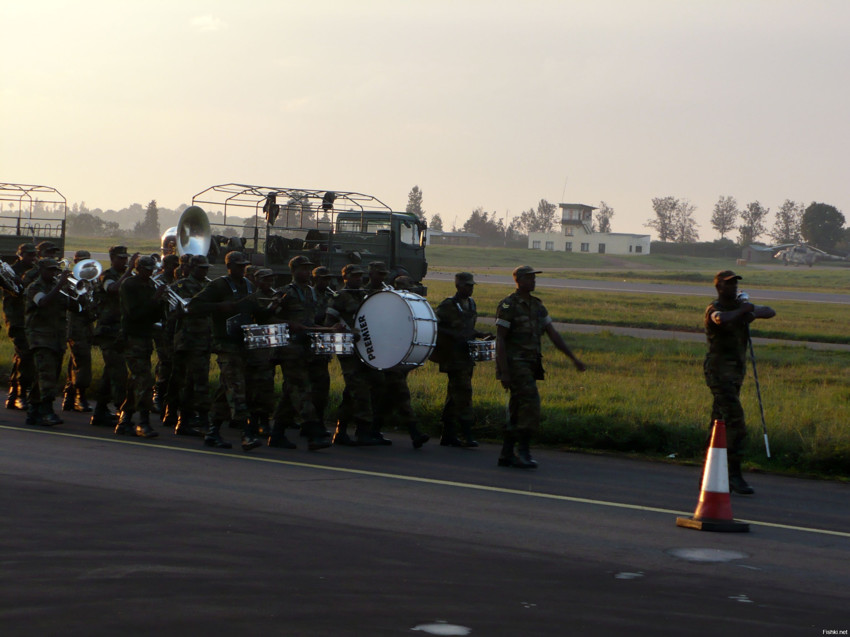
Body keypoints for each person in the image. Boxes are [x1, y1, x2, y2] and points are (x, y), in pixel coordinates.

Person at [495, 265, 586, 469]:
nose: (533, 282)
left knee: (518, 408)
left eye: (534, 278)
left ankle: (507, 453)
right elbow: (500, 340)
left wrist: (573, 358)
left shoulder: (537, 306)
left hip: (531, 363)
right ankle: (523, 451)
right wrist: (504, 372)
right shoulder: (509, 305)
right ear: (518, 280)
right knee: (531, 405)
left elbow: (553, 334)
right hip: (516, 364)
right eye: (529, 278)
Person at [704, 270, 776, 495]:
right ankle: (733, 475)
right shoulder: (714, 309)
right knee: (736, 423)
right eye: (729, 284)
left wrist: (750, 310)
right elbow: (721, 319)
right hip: (719, 373)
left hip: (735, 374)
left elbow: (770, 311)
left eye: (735, 284)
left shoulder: (741, 308)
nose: (733, 287)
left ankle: (708, 475)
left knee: (718, 422)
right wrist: (743, 311)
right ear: (719, 288)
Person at [188, 251, 267, 451]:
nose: (243, 269)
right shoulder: (218, 285)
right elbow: (195, 305)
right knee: (237, 389)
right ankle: (246, 434)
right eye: (239, 265)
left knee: (226, 390)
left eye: (244, 265)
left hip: (243, 344)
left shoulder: (249, 286)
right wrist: (219, 307)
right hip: (226, 346)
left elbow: (256, 311)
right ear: (229, 266)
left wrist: (271, 308)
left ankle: (213, 432)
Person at [268, 256, 332, 451]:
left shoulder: (312, 293)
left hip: (306, 350)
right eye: (303, 269)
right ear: (293, 271)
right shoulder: (286, 293)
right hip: (289, 349)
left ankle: (277, 434)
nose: (307, 272)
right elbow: (268, 316)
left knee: (290, 393)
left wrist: (328, 329)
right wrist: (289, 324)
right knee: (303, 390)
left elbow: (311, 321)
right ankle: (312, 433)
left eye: (308, 268)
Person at [433, 272, 490, 447]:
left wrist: (481, 335)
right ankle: (467, 433)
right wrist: (455, 335)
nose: (470, 288)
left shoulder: (471, 304)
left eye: (471, 285)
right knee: (464, 393)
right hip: (452, 357)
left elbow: (468, 330)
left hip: (466, 356)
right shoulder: (448, 305)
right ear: (457, 286)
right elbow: (434, 325)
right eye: (467, 285)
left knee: (454, 395)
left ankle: (448, 434)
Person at [115, 255, 167, 438]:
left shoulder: (150, 286)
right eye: (146, 269)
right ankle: (143, 423)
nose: (150, 273)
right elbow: (134, 313)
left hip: (145, 339)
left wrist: (162, 304)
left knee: (136, 381)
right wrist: (155, 299)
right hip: (132, 337)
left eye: (152, 269)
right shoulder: (129, 285)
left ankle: (125, 419)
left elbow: (152, 316)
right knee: (144, 380)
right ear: (138, 268)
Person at [90, 246, 138, 427]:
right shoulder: (106, 276)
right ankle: (122, 413)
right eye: (121, 258)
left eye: (126, 258)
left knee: (109, 374)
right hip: (107, 332)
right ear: (112, 258)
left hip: (121, 332)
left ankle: (100, 412)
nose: (124, 261)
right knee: (119, 374)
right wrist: (130, 271)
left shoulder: (127, 276)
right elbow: (114, 290)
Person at [166, 255, 213, 436]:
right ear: (192, 268)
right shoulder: (181, 286)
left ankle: (187, 420)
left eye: (206, 268)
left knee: (196, 381)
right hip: (187, 341)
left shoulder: (209, 286)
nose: (205, 271)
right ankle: (183, 418)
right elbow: (174, 313)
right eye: (202, 268)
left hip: (203, 340)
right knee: (185, 380)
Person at [23, 258, 71, 426]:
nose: (53, 273)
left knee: (47, 375)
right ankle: (46, 411)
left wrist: (79, 297)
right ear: (41, 270)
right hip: (40, 337)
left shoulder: (57, 287)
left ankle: (33, 410)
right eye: (50, 270)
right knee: (47, 374)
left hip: (56, 338)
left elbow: (70, 305)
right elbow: (42, 302)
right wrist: (60, 286)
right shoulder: (34, 287)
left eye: (55, 270)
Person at [3, 243, 37, 410]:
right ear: (20, 255)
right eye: (29, 255)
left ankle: (13, 394)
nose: (33, 258)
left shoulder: (36, 271)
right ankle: (20, 394)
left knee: (23, 358)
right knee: (24, 356)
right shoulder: (11, 271)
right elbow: (17, 292)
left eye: (34, 255)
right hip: (17, 321)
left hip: (30, 322)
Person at [61, 250, 97, 413]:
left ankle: (69, 396)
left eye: (87, 261)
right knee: (83, 361)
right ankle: (79, 398)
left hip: (86, 325)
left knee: (76, 361)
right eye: (81, 261)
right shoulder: (71, 280)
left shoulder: (91, 279)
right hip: (75, 325)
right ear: (76, 262)